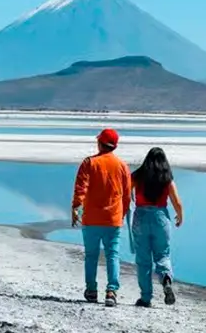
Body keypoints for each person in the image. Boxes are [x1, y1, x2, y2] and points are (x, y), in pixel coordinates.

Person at [71, 128, 132, 307]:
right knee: (112, 255)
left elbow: (80, 187)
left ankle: (91, 290)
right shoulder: (122, 166)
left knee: (91, 255)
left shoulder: (89, 163)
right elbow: (127, 195)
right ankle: (111, 291)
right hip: (113, 219)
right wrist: (123, 213)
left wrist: (76, 207)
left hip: (91, 219)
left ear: (100, 143)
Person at [130, 147, 184, 308]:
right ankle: (166, 279)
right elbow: (177, 202)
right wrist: (180, 216)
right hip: (161, 217)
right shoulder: (166, 178)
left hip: (141, 216)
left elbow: (125, 192)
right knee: (162, 254)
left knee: (143, 259)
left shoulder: (138, 176)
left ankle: (145, 298)